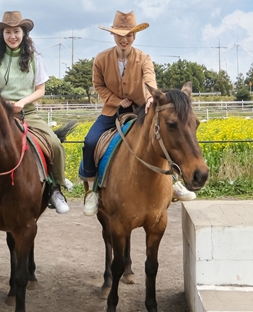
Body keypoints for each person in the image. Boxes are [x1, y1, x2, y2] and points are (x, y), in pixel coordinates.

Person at [0, 11, 69, 217]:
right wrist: (4, 104)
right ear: (2, 35)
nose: (12, 36)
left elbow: (40, 90)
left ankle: (56, 189)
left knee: (54, 144)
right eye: (8, 32)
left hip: (28, 112)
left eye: (16, 31)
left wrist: (21, 103)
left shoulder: (35, 58)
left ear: (24, 33)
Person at [81, 11, 196, 217]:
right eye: (120, 35)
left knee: (162, 137)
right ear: (113, 35)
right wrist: (116, 100)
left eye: (129, 35)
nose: (124, 39)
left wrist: (151, 96)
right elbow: (98, 85)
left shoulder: (144, 58)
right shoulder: (101, 59)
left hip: (142, 109)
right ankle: (92, 189)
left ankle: (174, 181)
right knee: (90, 141)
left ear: (134, 36)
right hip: (112, 111)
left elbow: (149, 80)